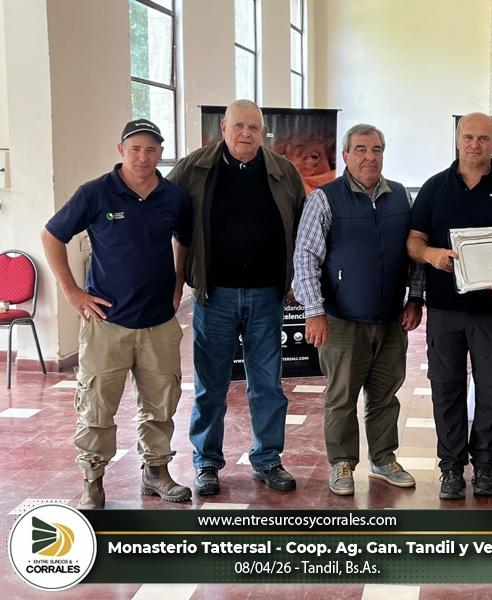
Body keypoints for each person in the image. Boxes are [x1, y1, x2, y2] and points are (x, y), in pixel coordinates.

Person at [42, 119, 193, 509]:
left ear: (160, 153)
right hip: (106, 323)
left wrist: (178, 283)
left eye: (151, 149)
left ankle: (156, 472)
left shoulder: (174, 197)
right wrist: (72, 292)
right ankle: (93, 481)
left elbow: (184, 239)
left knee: (161, 404)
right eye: (135, 148)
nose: (143, 157)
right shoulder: (95, 193)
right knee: (96, 406)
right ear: (121, 150)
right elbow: (52, 235)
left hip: (159, 323)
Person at [167, 99, 306, 496]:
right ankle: (206, 462)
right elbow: (165, 218)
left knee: (267, 385)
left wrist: (301, 285)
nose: (246, 133)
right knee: (211, 385)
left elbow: (304, 228)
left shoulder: (283, 172)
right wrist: (174, 283)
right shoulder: (193, 168)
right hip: (214, 296)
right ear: (223, 128)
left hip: (267, 297)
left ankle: (267, 460)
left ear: (264, 133)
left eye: (254, 128)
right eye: (239, 126)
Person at [407, 112, 492, 499]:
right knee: (446, 389)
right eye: (468, 137)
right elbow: (414, 241)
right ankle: (450, 468)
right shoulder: (434, 188)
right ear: (457, 139)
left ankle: (484, 467)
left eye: (483, 138)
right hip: (444, 309)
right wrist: (431, 255)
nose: (474, 144)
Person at [293, 124, 423, 495]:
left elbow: (414, 253)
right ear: (346, 155)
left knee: (385, 396)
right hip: (341, 320)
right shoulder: (325, 198)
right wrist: (314, 311)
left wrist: (415, 298)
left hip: (390, 319)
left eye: (376, 149)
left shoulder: (400, 196)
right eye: (361, 149)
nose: (370, 157)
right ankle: (342, 463)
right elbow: (305, 257)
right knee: (341, 398)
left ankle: (383, 459)